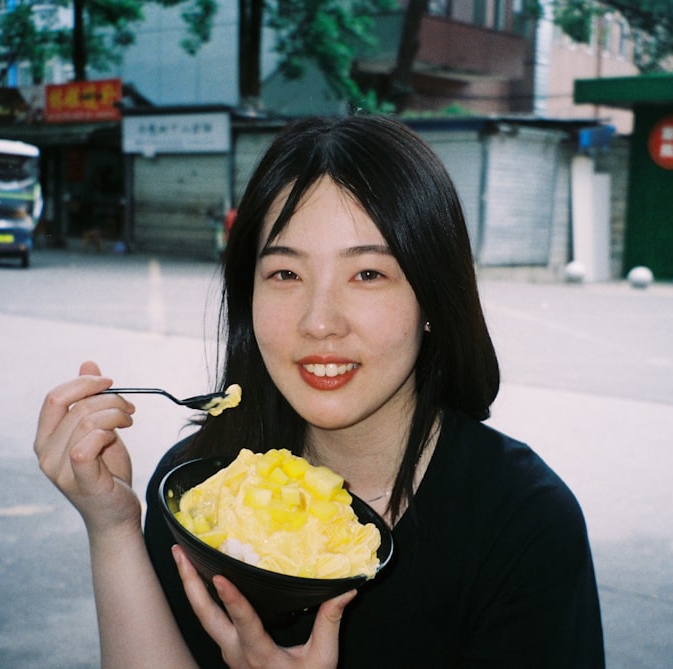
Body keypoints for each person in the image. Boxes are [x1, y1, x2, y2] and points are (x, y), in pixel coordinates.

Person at [35, 114, 604, 668]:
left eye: (368, 274)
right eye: (285, 274)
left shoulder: (524, 525)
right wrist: (111, 528)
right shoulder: (202, 494)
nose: (320, 322)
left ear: (433, 297)